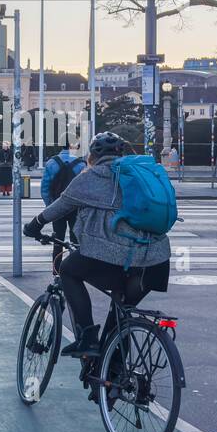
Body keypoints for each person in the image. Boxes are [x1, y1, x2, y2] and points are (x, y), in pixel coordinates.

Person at [23, 131, 170, 376]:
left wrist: (33, 225)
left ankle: (87, 338)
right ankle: (114, 377)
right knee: (121, 313)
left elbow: (59, 206)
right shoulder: (142, 173)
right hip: (156, 260)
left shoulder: (92, 176)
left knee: (68, 270)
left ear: (92, 155)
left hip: (117, 256)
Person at [40, 146, 85, 272]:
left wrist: (51, 206)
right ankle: (75, 270)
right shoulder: (81, 164)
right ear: (74, 146)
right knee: (75, 241)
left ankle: (56, 270)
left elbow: (45, 189)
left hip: (57, 208)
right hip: (75, 208)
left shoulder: (51, 163)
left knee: (58, 240)